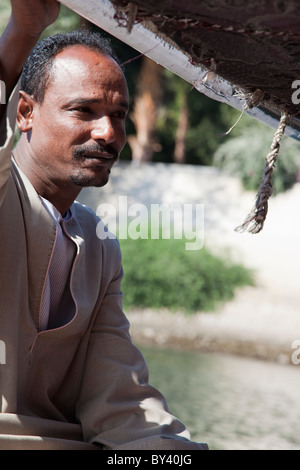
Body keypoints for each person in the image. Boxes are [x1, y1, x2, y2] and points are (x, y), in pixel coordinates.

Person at [0, 0, 208, 450]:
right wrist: (23, 29)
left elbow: (120, 401)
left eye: (118, 115)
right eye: (84, 110)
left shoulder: (99, 245)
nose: (108, 133)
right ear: (24, 114)